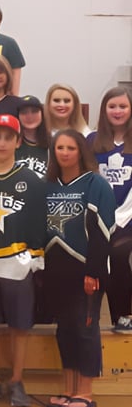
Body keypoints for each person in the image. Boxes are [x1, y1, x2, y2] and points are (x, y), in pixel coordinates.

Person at [0, 114, 47, 407]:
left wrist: (33, 258)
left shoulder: (31, 180)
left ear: (17, 141)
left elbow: (39, 222)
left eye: (8, 137)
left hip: (17, 264)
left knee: (19, 326)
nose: (2, 143)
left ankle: (16, 381)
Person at [43, 130, 115, 407]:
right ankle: (68, 388)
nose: (64, 152)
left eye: (70, 147)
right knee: (65, 331)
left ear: (81, 151)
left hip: (86, 269)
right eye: (59, 147)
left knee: (85, 329)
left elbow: (103, 231)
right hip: (56, 270)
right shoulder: (48, 185)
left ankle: (85, 391)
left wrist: (94, 272)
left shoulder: (96, 184)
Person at [87, 86, 132, 329]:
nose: (117, 111)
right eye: (112, 106)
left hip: (128, 219)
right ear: (104, 109)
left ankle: (123, 315)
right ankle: (89, 317)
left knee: (117, 254)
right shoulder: (92, 140)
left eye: (123, 106)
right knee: (94, 257)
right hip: (99, 217)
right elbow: (87, 179)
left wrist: (120, 218)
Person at [17, 95, 50, 178]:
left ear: (42, 114)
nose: (29, 116)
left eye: (34, 111)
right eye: (24, 112)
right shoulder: (11, 143)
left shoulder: (53, 144)